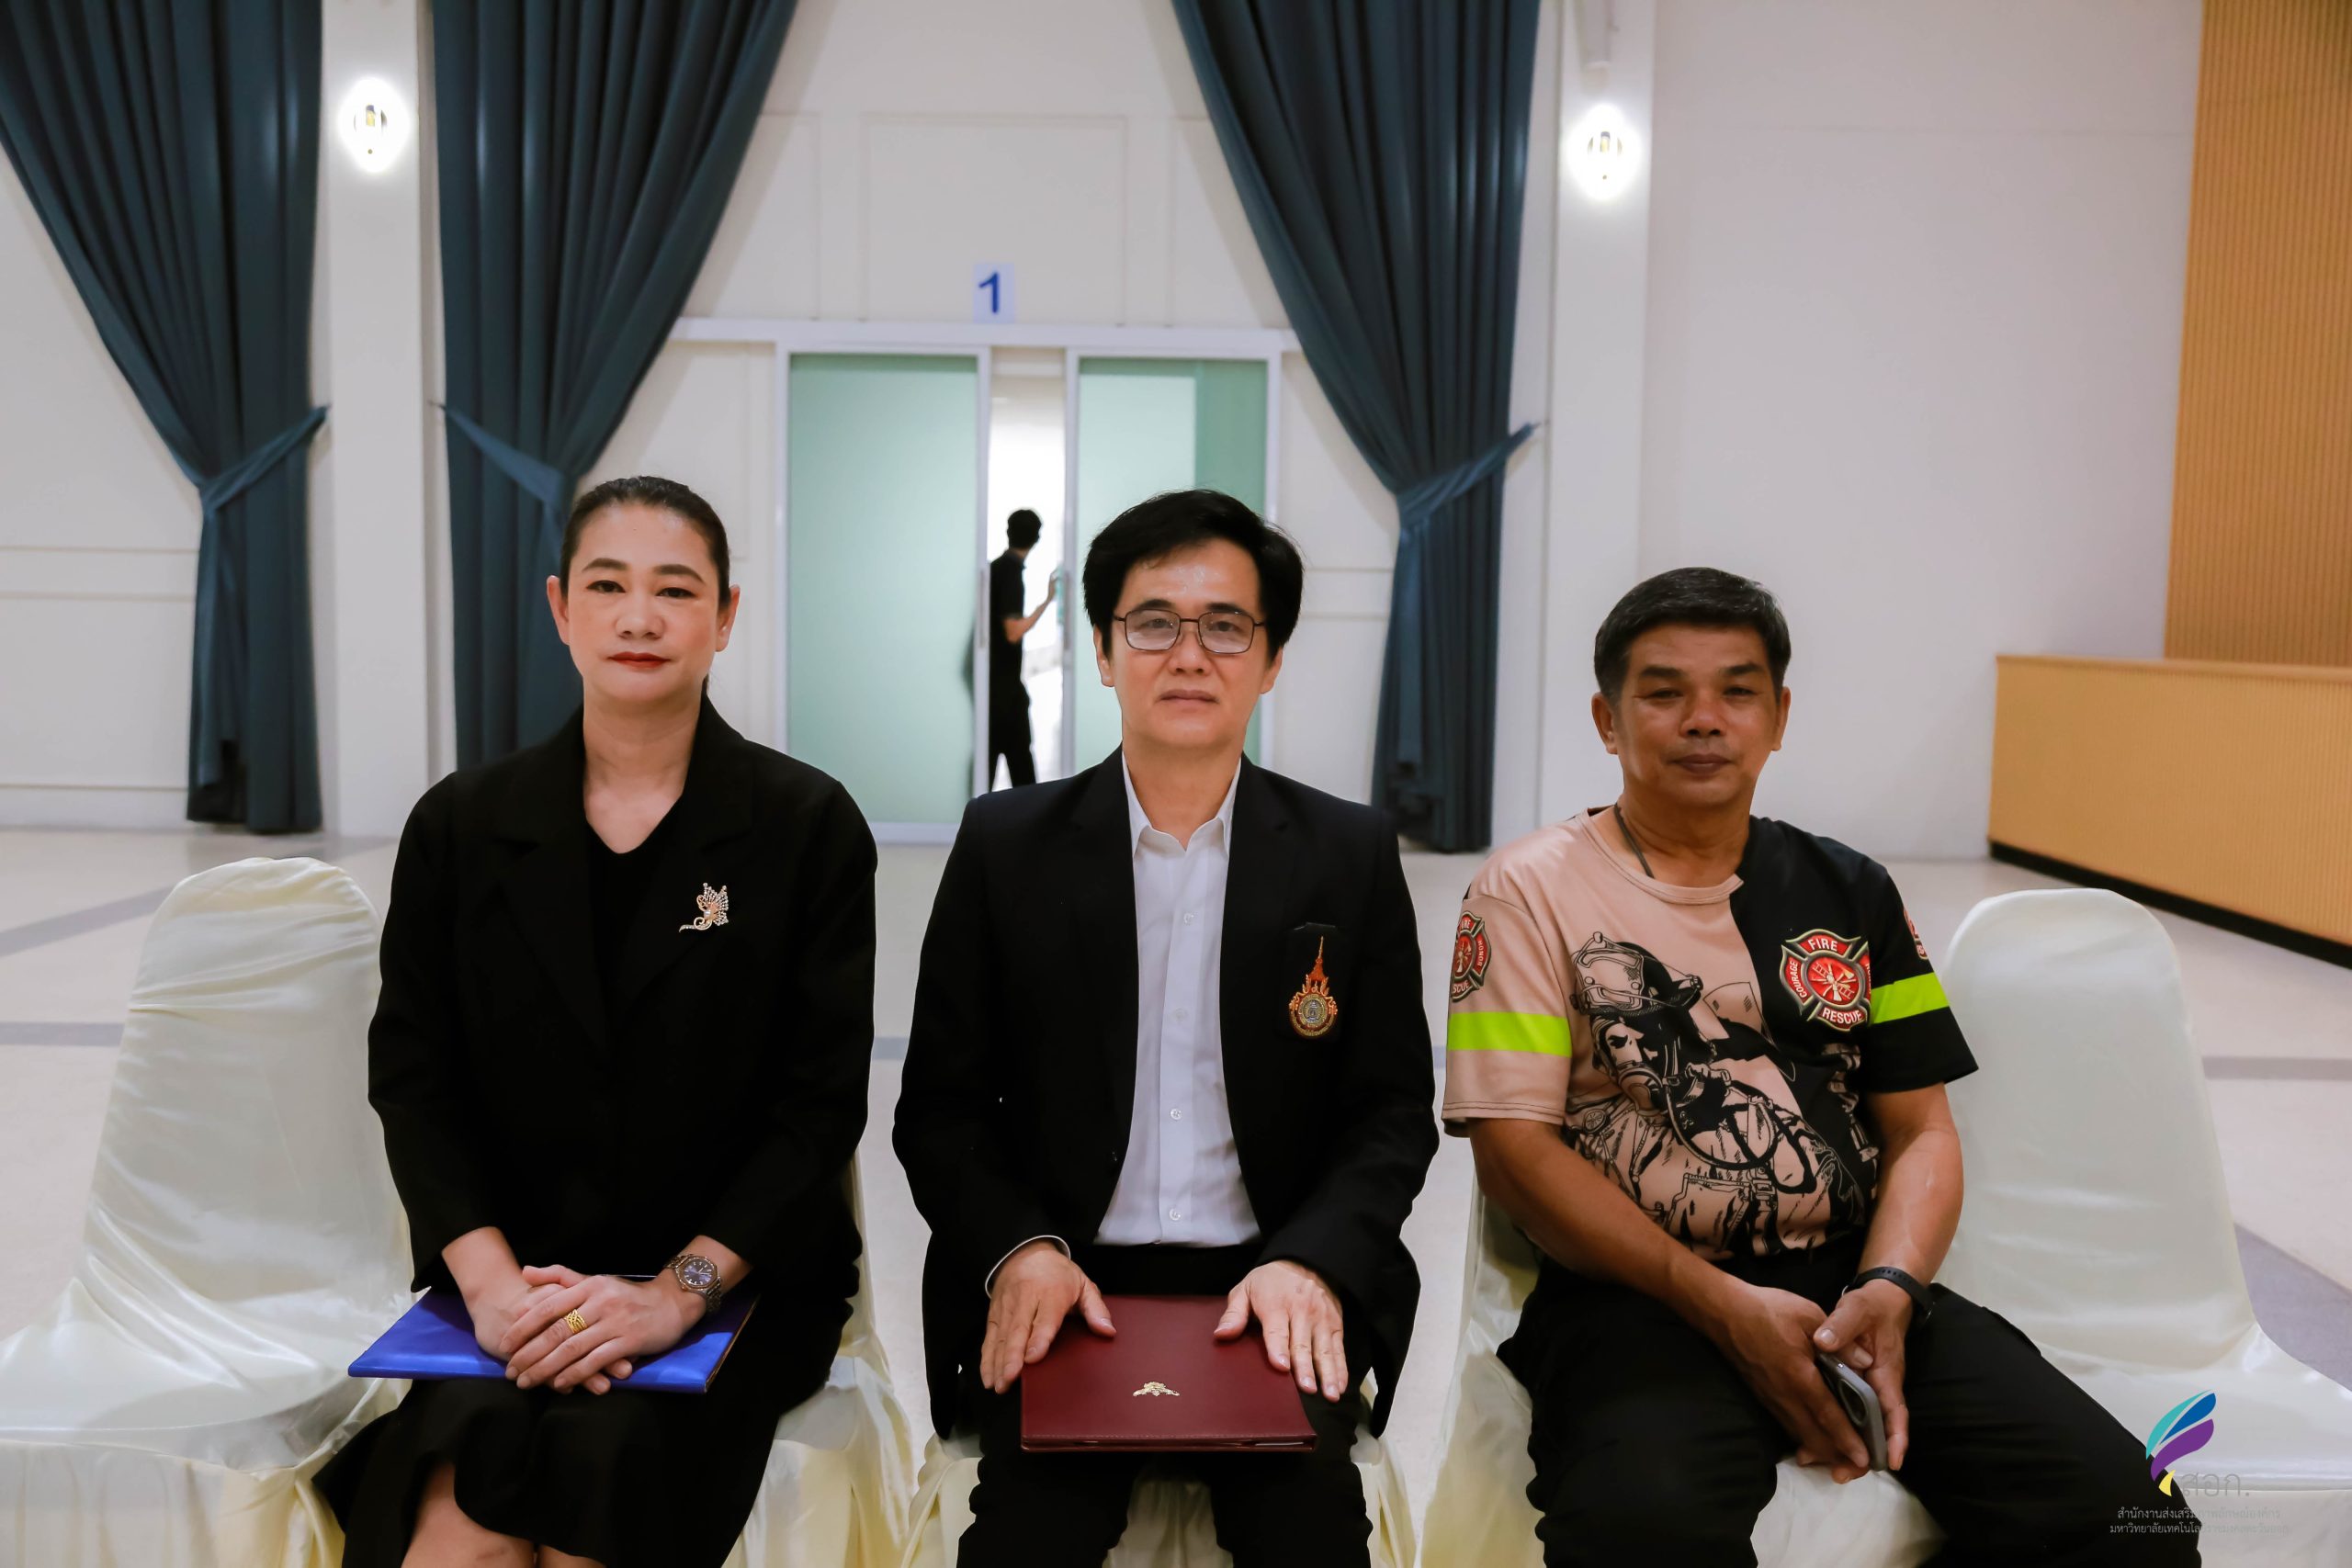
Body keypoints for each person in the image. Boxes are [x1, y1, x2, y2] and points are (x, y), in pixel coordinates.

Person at [1445, 567, 2201, 1566]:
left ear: (1779, 716)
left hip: (1851, 1289)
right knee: (1642, 1529)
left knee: (2136, 1521)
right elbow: (1513, 1152)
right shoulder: (1524, 892)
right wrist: (1720, 1304)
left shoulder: (1853, 890)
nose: (1703, 719)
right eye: (1664, 692)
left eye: (1737, 691)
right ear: (1607, 720)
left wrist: (1890, 1287)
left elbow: (1920, 1129)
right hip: (1636, 1297)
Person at [317, 476, 877, 1568]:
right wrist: (490, 1289)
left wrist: (676, 1295)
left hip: (739, 1288)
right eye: (608, 586)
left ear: (725, 617)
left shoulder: (803, 825)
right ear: (559, 607)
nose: (639, 618)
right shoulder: (462, 826)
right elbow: (414, 1080)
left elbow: (817, 1109)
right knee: (458, 1529)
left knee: (600, 1485)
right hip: (520, 1284)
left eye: (676, 590)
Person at [896, 489, 1439, 1567]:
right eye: (1152, 623)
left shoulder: (1346, 853)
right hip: (1066, 1277)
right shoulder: (1007, 845)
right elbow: (941, 1109)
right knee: (1024, 1544)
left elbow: (1389, 1114)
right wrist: (1021, 1252)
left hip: (1267, 1277)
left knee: (1311, 1537)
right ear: (1102, 651)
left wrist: (1312, 1264)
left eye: (1225, 626)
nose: (1189, 654)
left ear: (1270, 660)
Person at [989, 506, 1057, 787]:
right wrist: (1047, 601)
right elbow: (1013, 632)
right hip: (1004, 689)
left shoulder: (997, 568)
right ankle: (1031, 812)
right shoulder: (1010, 573)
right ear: (1037, 539)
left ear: (1008, 532)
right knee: (1020, 763)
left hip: (996, 685)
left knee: (995, 756)